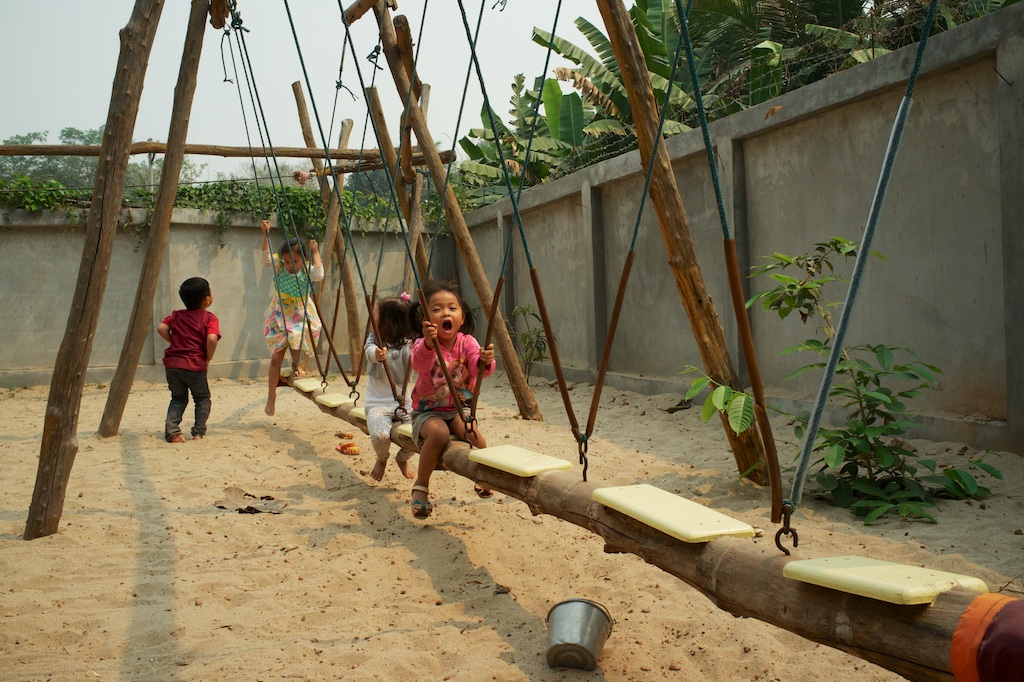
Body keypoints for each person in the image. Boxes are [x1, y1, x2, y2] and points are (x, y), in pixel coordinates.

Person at [408, 280, 495, 519]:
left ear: (462, 317)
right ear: (425, 321)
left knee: (473, 433)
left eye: (452, 308)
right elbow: (418, 363)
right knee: (439, 434)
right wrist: (427, 342)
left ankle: (485, 476)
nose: (445, 312)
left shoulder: (468, 343)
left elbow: (480, 369)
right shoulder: (423, 345)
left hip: (459, 408)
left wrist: (485, 361)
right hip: (427, 412)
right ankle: (421, 487)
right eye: (436, 309)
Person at [261, 219, 324, 416]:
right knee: (276, 357)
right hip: (281, 312)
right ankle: (271, 395)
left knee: (298, 339)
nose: (289, 265)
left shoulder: (307, 270)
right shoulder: (279, 267)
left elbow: (319, 274)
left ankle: (297, 366)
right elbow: (265, 258)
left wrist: (315, 253)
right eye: (287, 261)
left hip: (299, 311)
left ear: (303, 260)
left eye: (294, 262)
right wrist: (265, 234)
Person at [157, 277, 221, 443]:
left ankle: (172, 432)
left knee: (178, 398)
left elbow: (161, 328)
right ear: (207, 299)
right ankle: (198, 432)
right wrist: (208, 357)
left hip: (173, 365)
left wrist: (174, 343)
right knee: (202, 399)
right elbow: (212, 338)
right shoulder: (209, 318)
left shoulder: (176, 315)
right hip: (194, 365)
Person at [364, 294, 417, 482]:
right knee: (379, 436)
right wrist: (376, 354)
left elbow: (419, 358)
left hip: (405, 403)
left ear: (388, 320)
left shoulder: (411, 344)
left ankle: (402, 458)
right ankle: (382, 458)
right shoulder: (375, 341)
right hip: (377, 405)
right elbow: (368, 350)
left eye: (376, 313)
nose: (372, 315)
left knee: (419, 435)